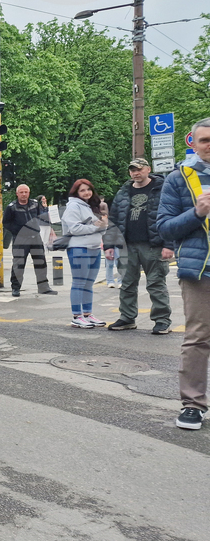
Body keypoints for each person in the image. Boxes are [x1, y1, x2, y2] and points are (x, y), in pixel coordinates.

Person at [156, 117, 210, 430]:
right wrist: (197, 212)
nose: (209, 146)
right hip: (200, 270)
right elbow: (165, 226)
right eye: (204, 140)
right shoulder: (179, 179)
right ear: (193, 142)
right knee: (198, 338)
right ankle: (193, 404)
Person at [105, 158, 174, 333]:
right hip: (127, 246)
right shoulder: (123, 191)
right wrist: (109, 245)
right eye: (132, 170)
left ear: (148, 169)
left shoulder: (161, 188)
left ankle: (162, 320)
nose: (136, 173)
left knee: (156, 284)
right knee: (127, 284)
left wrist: (169, 244)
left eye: (139, 169)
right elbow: (114, 219)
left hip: (153, 245)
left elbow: (170, 215)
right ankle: (127, 318)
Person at [61, 179, 108, 329]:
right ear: (76, 192)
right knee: (79, 283)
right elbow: (74, 229)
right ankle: (77, 316)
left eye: (88, 189)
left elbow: (99, 227)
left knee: (89, 283)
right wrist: (96, 227)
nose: (86, 192)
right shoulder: (73, 206)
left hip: (94, 247)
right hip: (79, 248)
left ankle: (88, 314)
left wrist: (102, 226)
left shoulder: (91, 206)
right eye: (82, 190)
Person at [3, 184, 57, 297]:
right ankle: (16, 288)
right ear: (17, 194)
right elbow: (6, 223)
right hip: (20, 239)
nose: (24, 194)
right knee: (19, 264)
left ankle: (43, 287)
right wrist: (18, 231)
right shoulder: (11, 207)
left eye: (26, 192)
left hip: (35, 238)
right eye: (21, 192)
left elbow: (42, 217)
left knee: (40, 262)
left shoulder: (35, 204)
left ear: (29, 193)